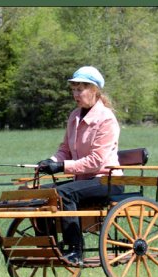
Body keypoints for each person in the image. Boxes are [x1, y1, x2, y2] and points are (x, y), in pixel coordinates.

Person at [37, 66, 124, 265]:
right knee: (41, 193)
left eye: (80, 89)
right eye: (74, 89)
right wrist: (51, 161)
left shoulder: (106, 119)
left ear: (94, 90)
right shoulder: (74, 117)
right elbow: (65, 149)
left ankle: (75, 249)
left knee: (64, 193)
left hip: (106, 179)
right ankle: (49, 245)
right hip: (83, 180)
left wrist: (62, 167)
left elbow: (96, 161)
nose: (76, 94)